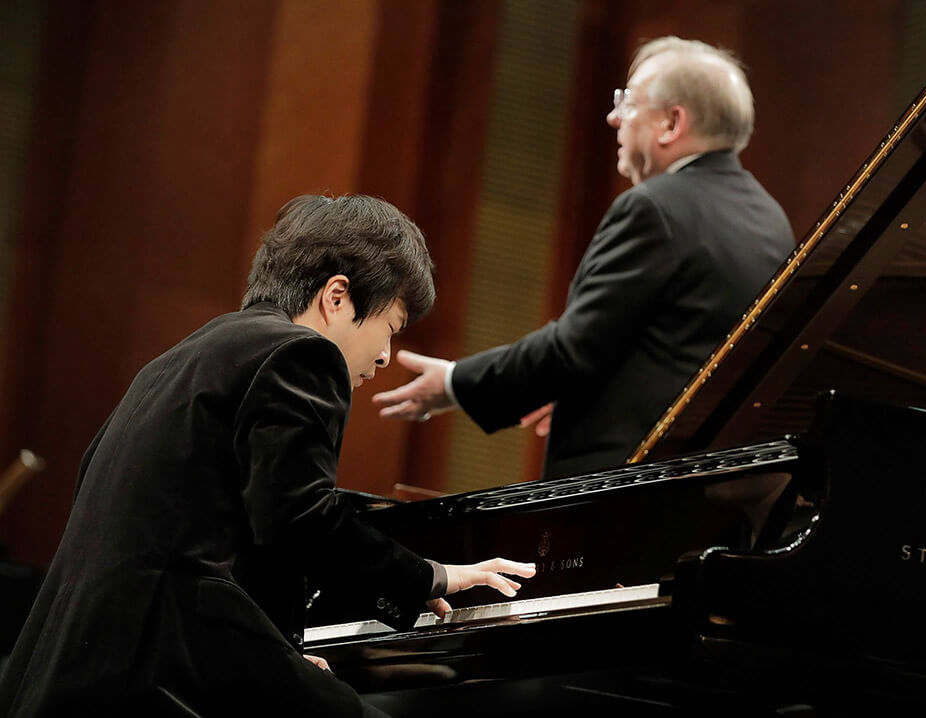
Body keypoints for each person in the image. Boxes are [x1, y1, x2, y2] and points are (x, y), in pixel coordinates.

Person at [0, 194, 535, 717]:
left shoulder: (181, 359)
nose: (384, 357)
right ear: (337, 296)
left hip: (71, 666)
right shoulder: (301, 355)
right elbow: (299, 518)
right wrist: (431, 577)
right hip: (162, 668)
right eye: (389, 329)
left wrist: (278, 654)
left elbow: (221, 529)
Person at [373, 37, 795, 478]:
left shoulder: (655, 207)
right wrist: (591, 394)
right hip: (710, 481)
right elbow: (683, 347)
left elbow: (574, 349)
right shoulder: (769, 219)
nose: (614, 116)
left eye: (629, 102)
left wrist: (455, 384)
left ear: (672, 123)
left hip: (626, 490)